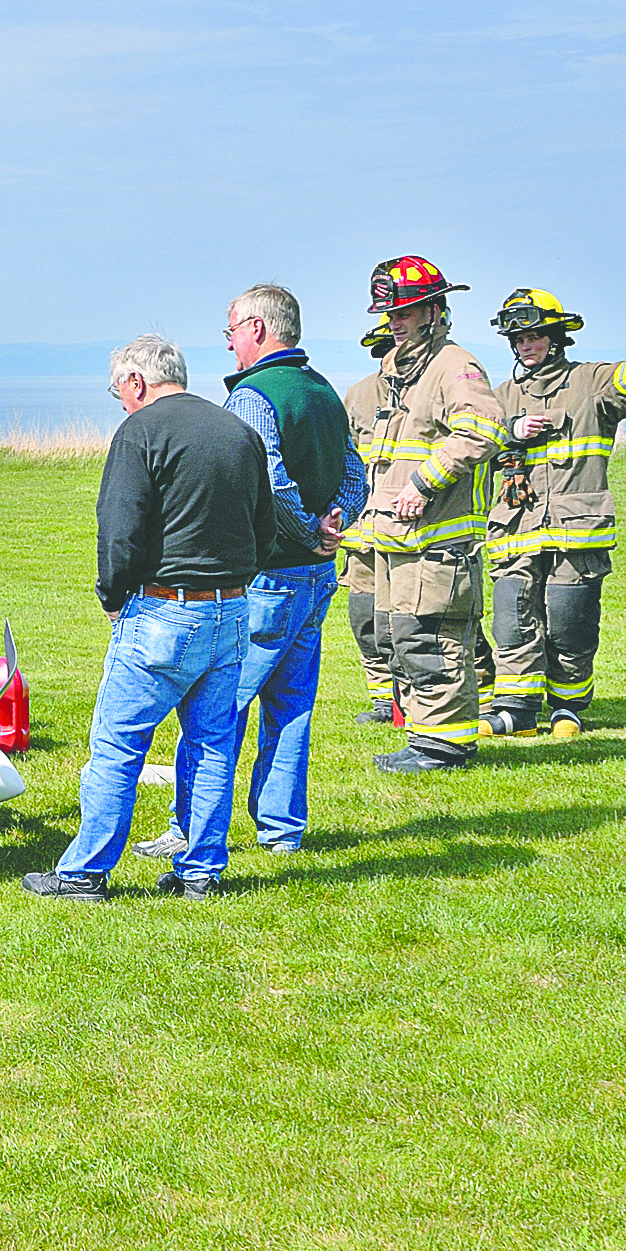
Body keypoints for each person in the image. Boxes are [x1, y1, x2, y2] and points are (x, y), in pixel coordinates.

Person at [24, 335, 276, 903]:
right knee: (213, 745)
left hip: (163, 609)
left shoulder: (140, 432)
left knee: (117, 746)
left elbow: (120, 525)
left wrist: (114, 597)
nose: (120, 403)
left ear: (136, 382)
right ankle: (201, 871)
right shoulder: (240, 432)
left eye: (119, 392)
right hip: (231, 609)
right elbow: (267, 526)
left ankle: (85, 871)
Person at [135, 285, 364, 860]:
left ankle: (188, 829)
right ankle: (282, 832)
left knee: (219, 708)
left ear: (258, 329)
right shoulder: (324, 391)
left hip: (269, 578)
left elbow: (269, 482)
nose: (229, 342)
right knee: (292, 707)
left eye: (231, 329)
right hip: (318, 575)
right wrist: (337, 519)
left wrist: (309, 527)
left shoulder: (254, 398)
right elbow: (357, 473)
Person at [480, 290, 626, 738]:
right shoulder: (498, 397)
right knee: (512, 617)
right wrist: (509, 431)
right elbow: (468, 441)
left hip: (576, 531)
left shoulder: (590, 382)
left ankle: (568, 708)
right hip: (514, 530)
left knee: (569, 620)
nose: (526, 345)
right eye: (518, 338)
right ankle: (515, 710)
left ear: (557, 337)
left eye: (535, 336)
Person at [352, 257, 506, 773]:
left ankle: (446, 749)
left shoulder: (453, 366)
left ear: (435, 311)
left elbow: (483, 430)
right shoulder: (401, 372)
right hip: (397, 539)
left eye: (405, 312)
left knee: (434, 639)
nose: (394, 322)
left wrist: (424, 482)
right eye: (390, 313)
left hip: (437, 540)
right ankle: (426, 740)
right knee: (405, 640)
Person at [341, 318, 401, 723]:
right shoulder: (358, 396)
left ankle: (417, 699)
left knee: (415, 621)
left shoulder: (429, 392)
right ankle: (382, 698)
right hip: (364, 535)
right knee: (365, 618)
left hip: (413, 530)